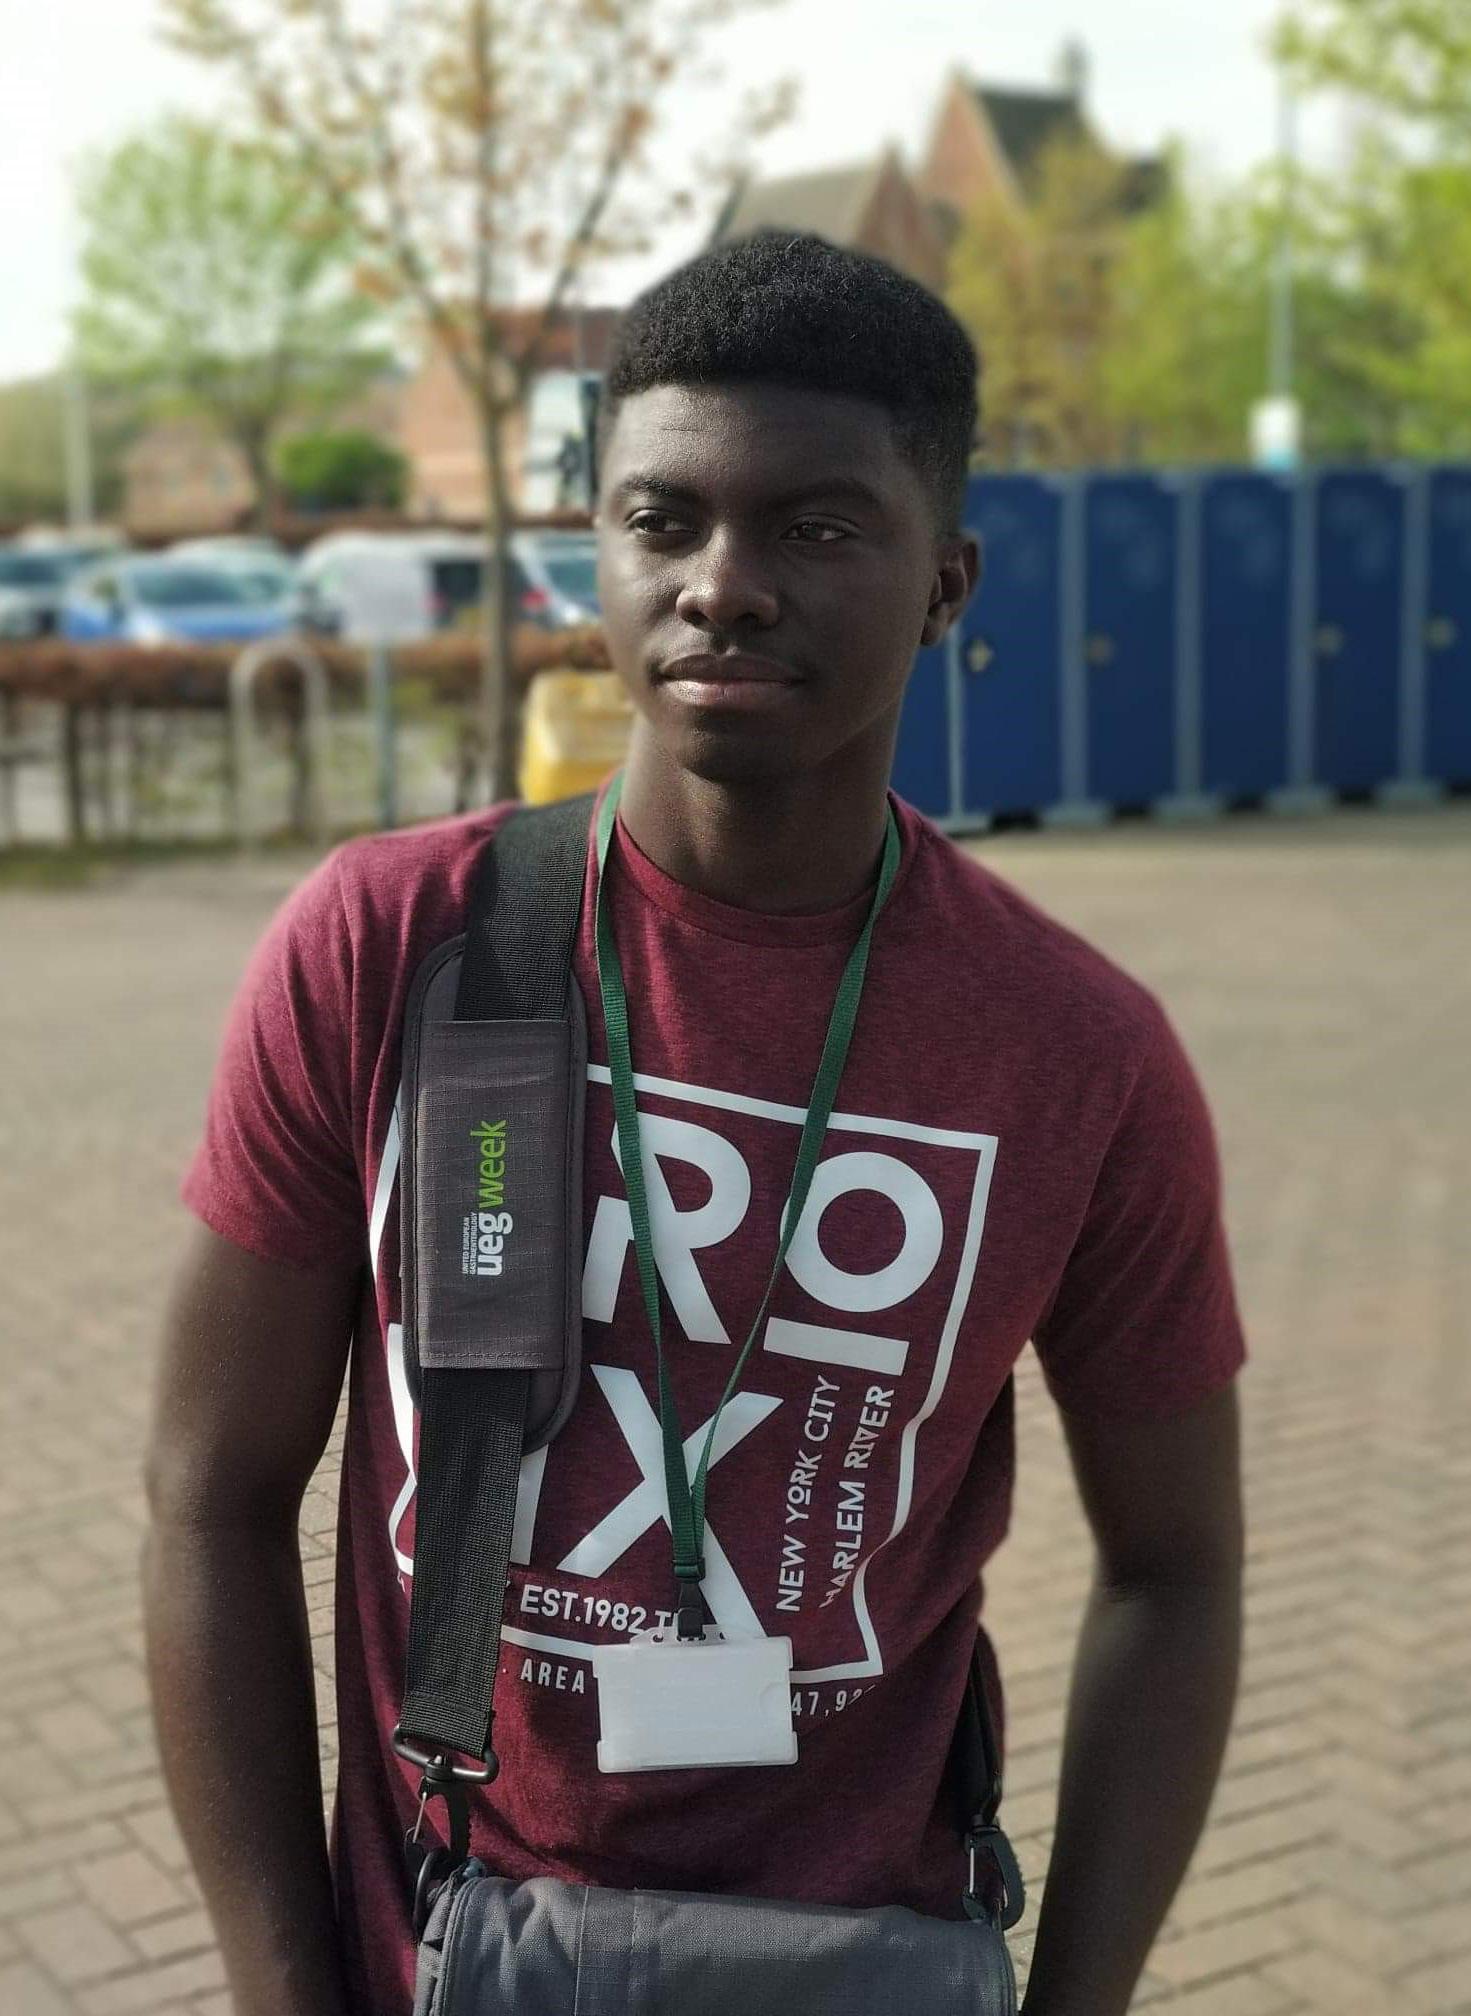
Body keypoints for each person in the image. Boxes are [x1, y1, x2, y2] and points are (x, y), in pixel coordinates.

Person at [145, 231, 1245, 2016]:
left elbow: (1177, 1572)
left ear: (947, 582)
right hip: (449, 1932)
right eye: (664, 520)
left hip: (870, 1953)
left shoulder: (1077, 1054)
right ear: (598, 550)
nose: (723, 586)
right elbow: (211, 1494)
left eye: (818, 528)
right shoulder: (404, 950)